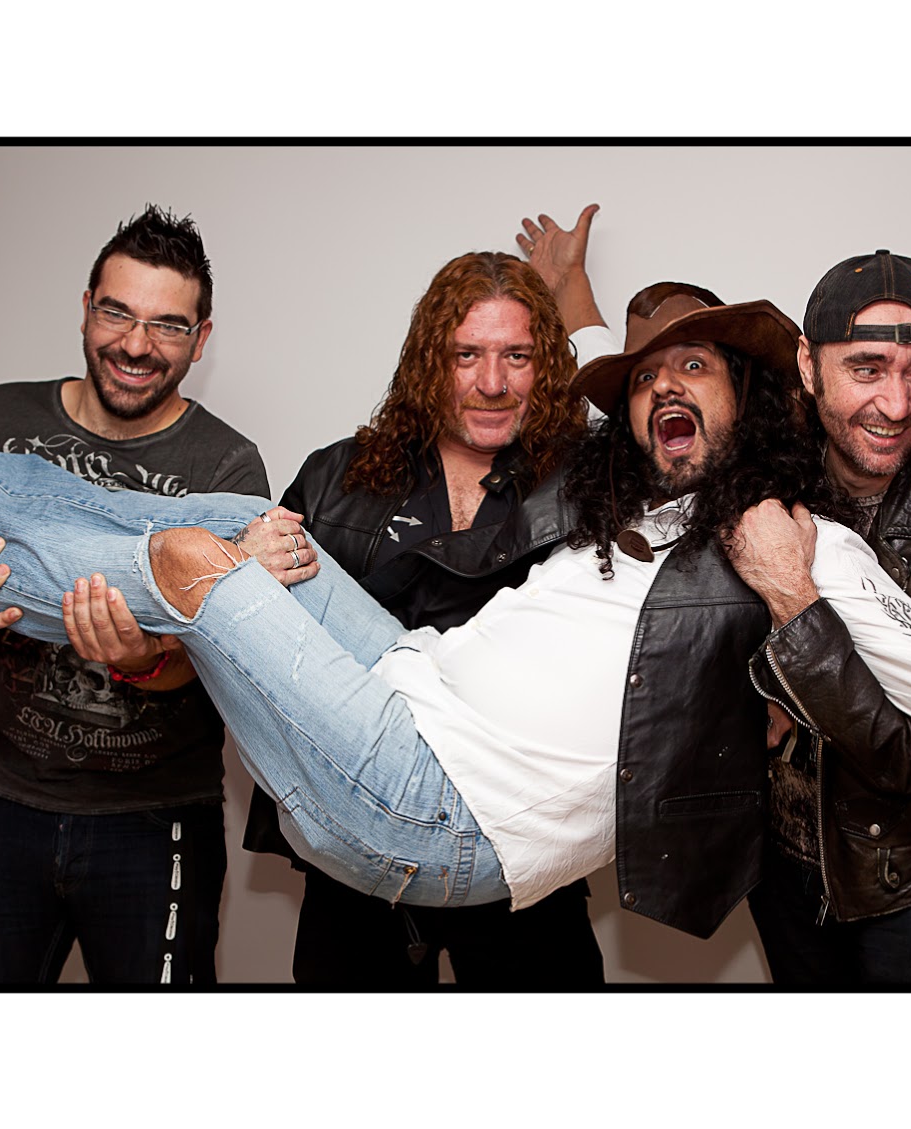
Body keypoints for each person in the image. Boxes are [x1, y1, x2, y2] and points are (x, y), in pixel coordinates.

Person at [0, 288, 911, 943]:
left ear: (751, 406)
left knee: (196, 567)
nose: (664, 388)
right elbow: (581, 363)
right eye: (647, 378)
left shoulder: (791, 541)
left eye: (696, 373)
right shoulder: (625, 516)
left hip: (431, 810)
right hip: (404, 690)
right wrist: (596, 322)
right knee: (243, 521)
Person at [518, 213, 911, 983]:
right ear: (808, 368)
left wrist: (792, 599)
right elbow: (647, 398)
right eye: (865, 369)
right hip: (782, 855)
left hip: (907, 881)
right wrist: (573, 294)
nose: (894, 404)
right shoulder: (769, 443)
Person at [0, 207, 268, 984]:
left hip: (157, 814)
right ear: (85, 307)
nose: (135, 345)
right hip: (5, 791)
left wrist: (144, 659)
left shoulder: (228, 465)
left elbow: (219, 656)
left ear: (201, 339)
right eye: (117, 313)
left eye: (168, 326)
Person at [239, 251, 605, 986]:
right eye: (466, 355)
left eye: (517, 356)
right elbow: (267, 644)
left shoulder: (588, 483)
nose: (492, 383)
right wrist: (242, 569)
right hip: (357, 837)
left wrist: (579, 293)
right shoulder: (338, 476)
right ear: (427, 362)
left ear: (547, 365)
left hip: (521, 843)